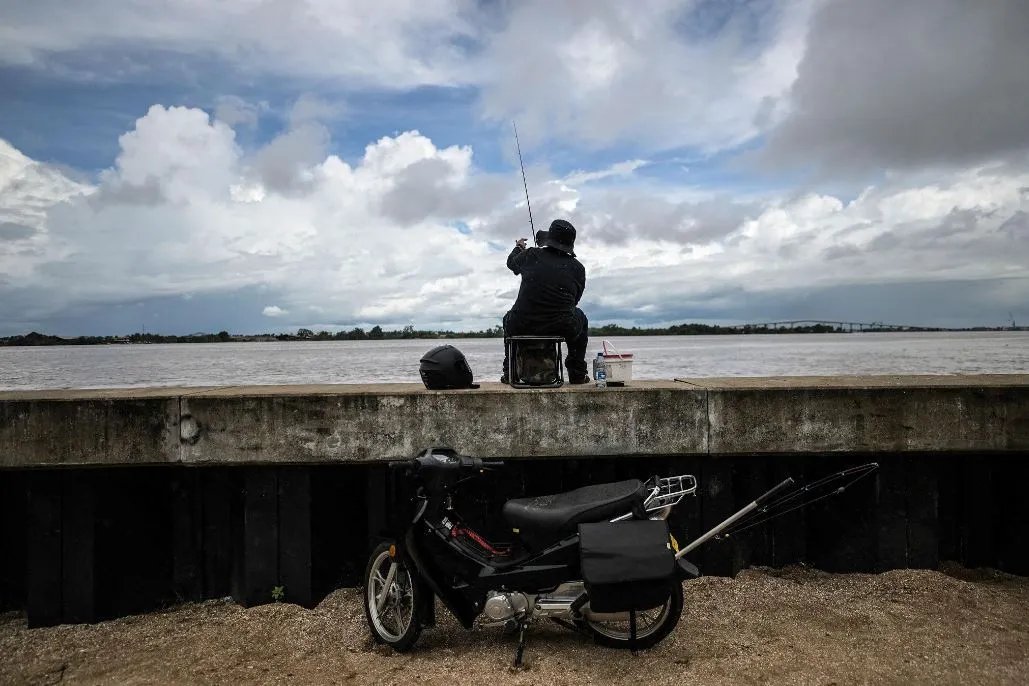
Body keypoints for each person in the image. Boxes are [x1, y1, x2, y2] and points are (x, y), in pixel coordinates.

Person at [501, 218, 590, 384]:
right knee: (581, 318)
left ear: (550, 239)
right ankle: (577, 373)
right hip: (561, 325)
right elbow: (574, 301)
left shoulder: (531, 254)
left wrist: (519, 247)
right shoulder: (578, 268)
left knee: (508, 318)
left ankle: (509, 373)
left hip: (523, 323)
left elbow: (511, 263)